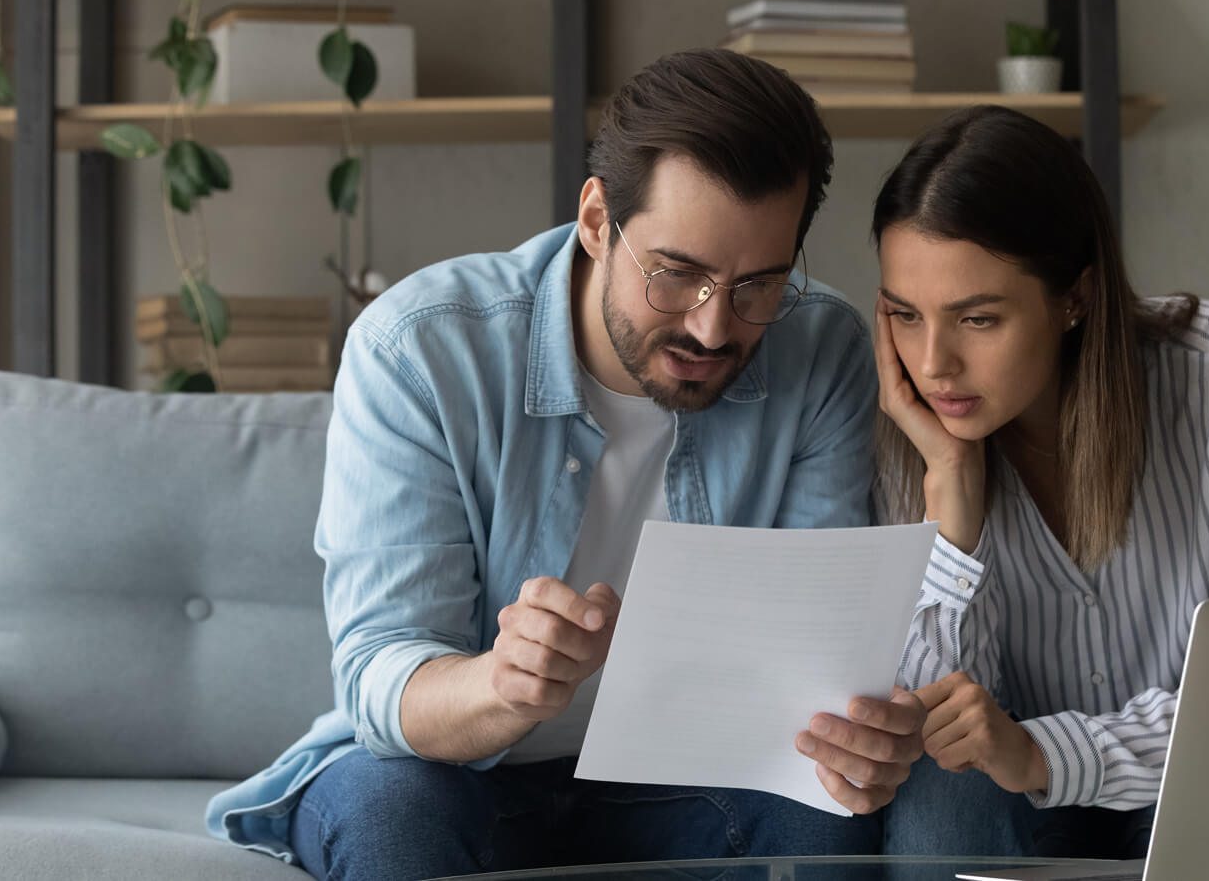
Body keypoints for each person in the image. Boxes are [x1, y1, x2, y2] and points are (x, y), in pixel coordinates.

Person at [204, 49, 926, 880]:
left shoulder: (820, 349)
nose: (715, 328)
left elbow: (812, 668)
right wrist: (501, 686)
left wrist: (858, 730)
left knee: (825, 818)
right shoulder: (419, 352)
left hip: (680, 784)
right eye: (676, 274)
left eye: (758, 284)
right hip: (451, 774)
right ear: (595, 220)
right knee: (390, 813)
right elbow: (381, 678)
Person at [868, 105, 1209, 858]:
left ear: (1074, 298)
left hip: (1198, 785)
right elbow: (930, 722)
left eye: (977, 320)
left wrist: (1046, 753)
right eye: (904, 316)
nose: (932, 364)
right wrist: (951, 499)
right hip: (1001, 804)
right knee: (942, 791)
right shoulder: (902, 421)